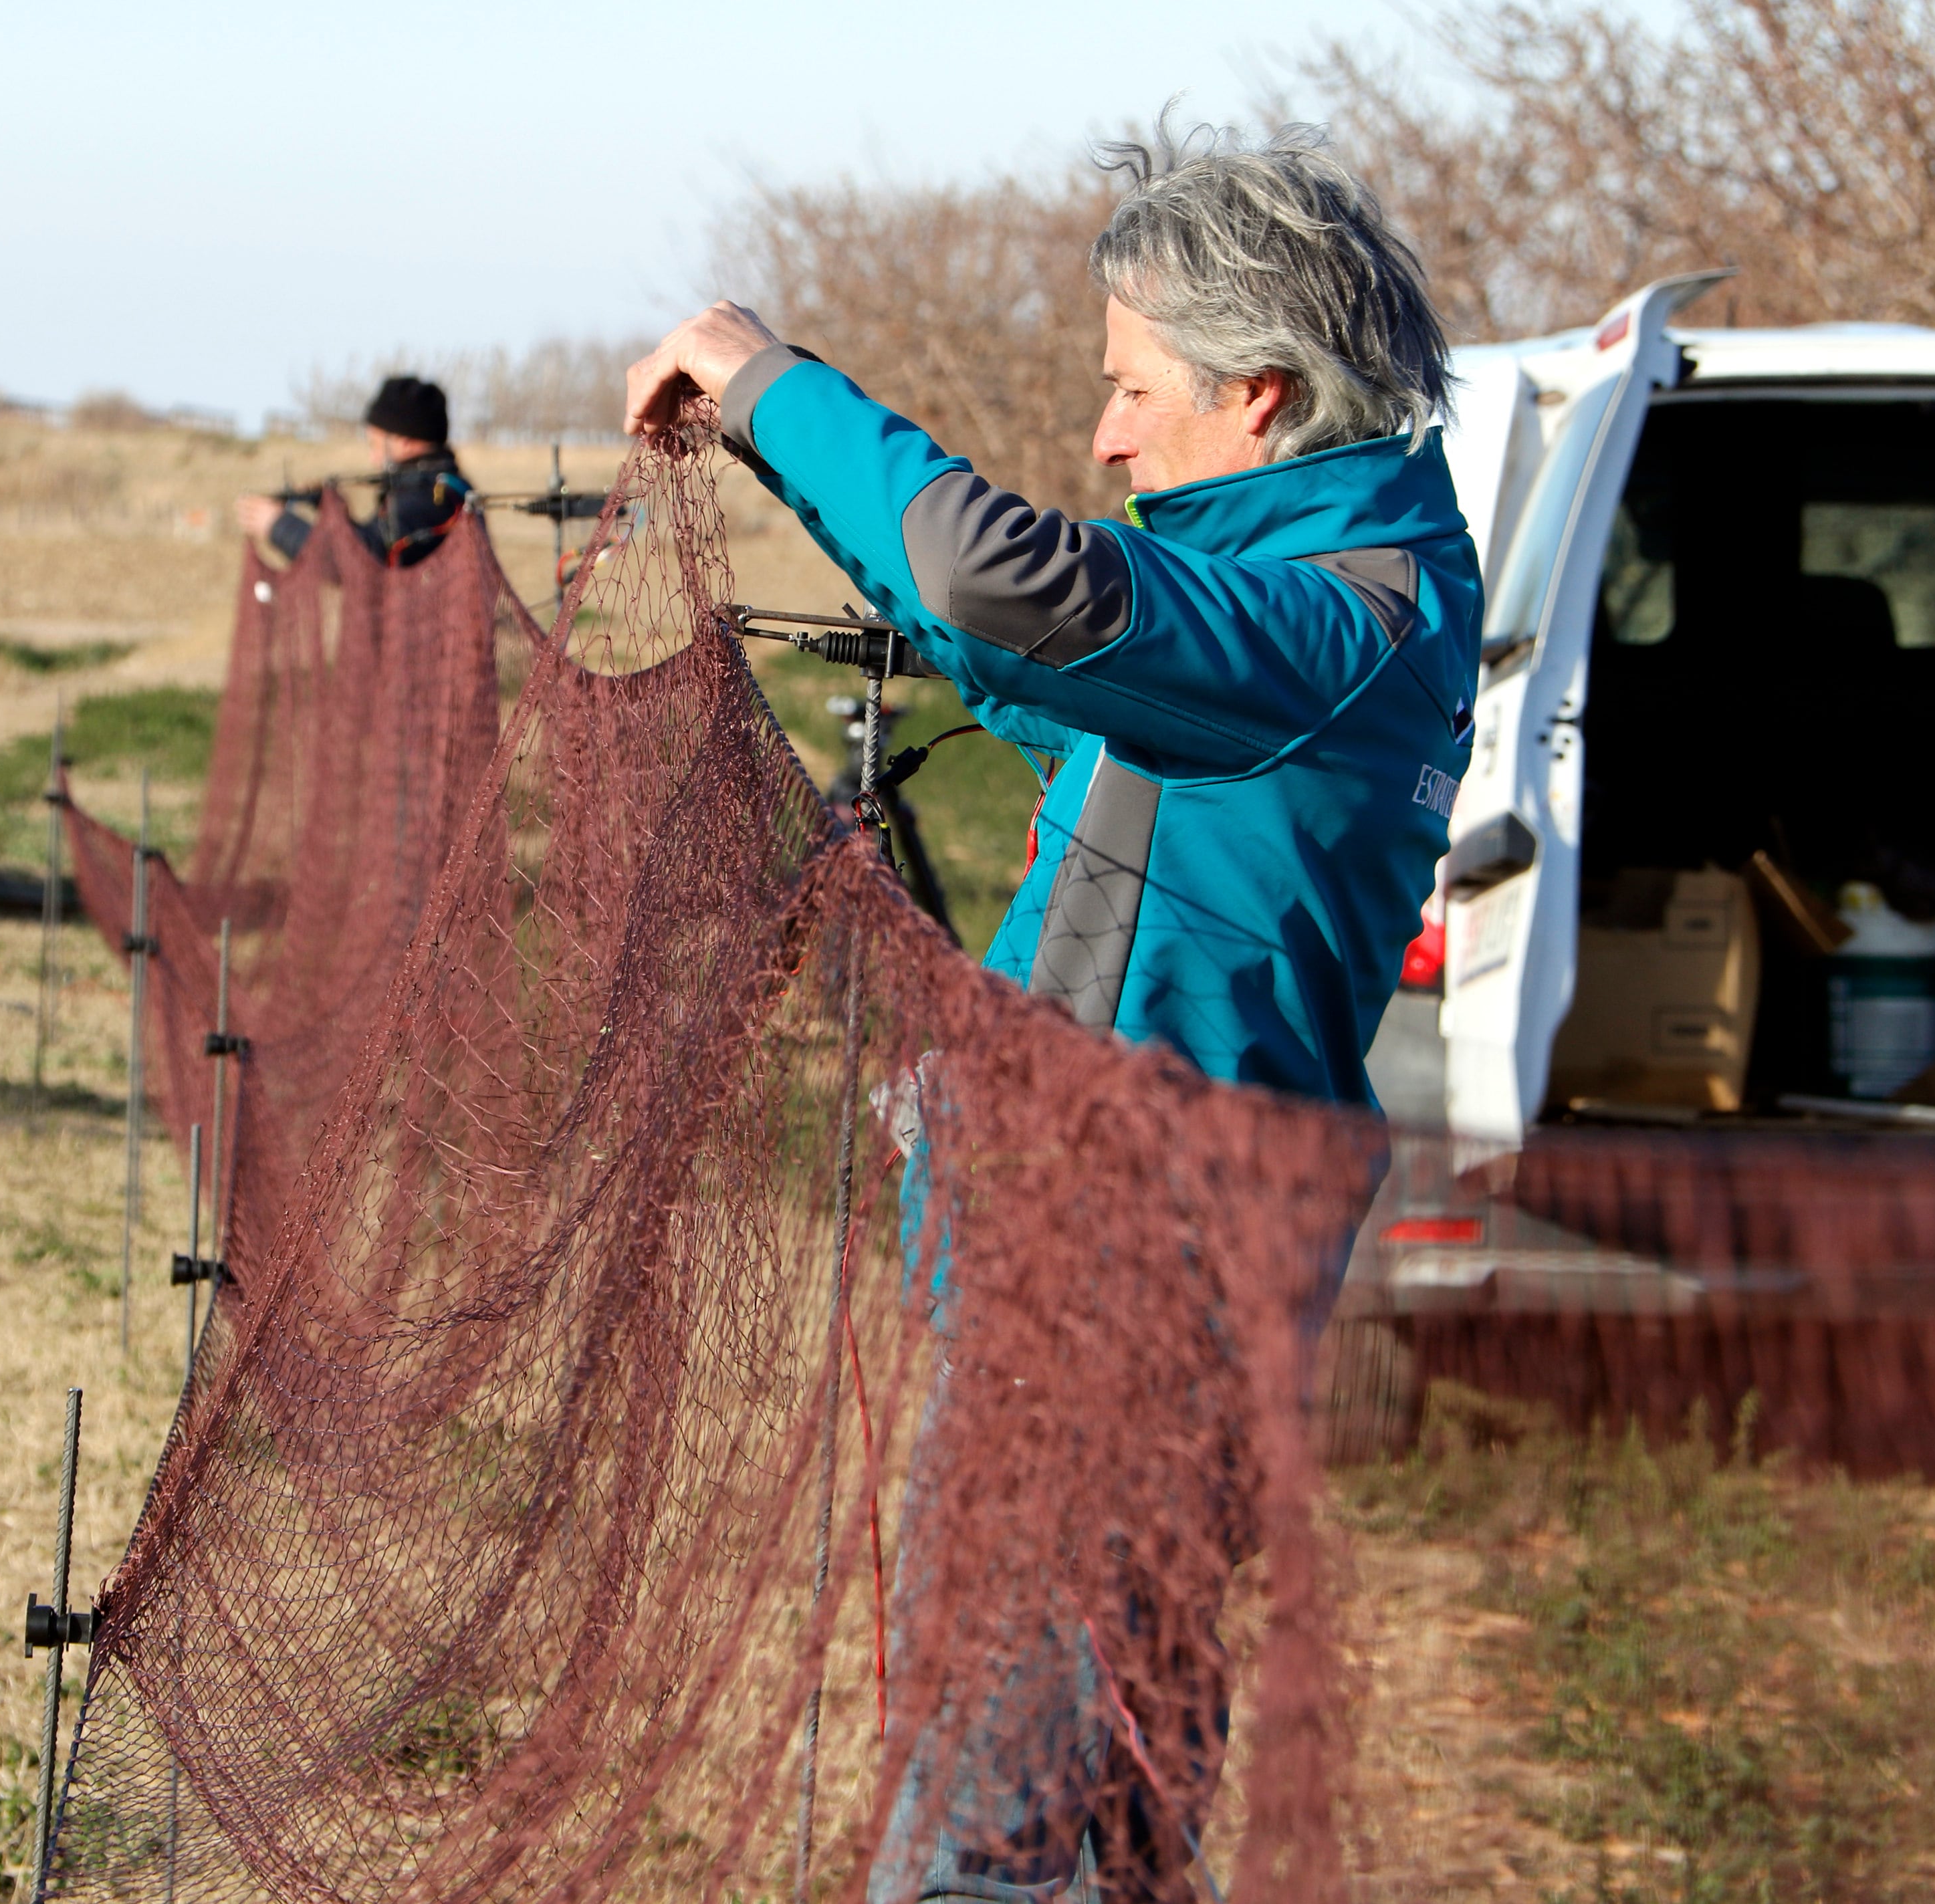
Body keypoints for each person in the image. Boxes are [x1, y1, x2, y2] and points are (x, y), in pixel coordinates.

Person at [627, 123, 1480, 1901]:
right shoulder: (1323, 597)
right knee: (1081, 1795)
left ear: (1260, 394)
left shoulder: (1330, 621)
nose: (1104, 435)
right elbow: (1047, 681)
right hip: (1108, 1273)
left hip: (1120, 1293)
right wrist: (792, 476)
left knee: (1007, 1831)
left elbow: (1013, 585)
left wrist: (766, 377)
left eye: (1130, 390)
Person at [235, 375, 470, 568]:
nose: (372, 458)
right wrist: (332, 512)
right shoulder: (433, 491)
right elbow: (377, 549)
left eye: (375, 445)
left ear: (405, 441)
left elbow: (358, 565)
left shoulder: (429, 499)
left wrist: (279, 525)